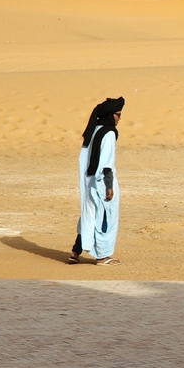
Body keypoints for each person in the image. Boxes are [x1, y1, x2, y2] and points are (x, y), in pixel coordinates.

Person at [69, 97, 124, 265]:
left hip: (88, 182)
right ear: (110, 115)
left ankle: (75, 252)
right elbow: (106, 163)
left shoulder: (92, 130)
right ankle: (103, 256)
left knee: (89, 214)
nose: (119, 118)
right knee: (105, 217)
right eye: (118, 114)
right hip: (101, 183)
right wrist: (109, 186)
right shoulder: (108, 133)